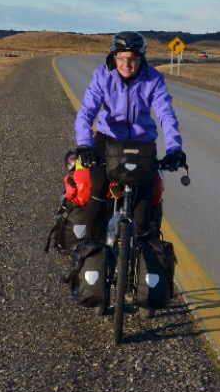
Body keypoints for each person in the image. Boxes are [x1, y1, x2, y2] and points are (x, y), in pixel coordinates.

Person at [73, 31, 186, 252]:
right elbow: (86, 113)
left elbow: (166, 115)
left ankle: (142, 256)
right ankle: (91, 247)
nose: (127, 64)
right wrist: (84, 144)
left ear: (141, 58)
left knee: (143, 213)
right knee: (99, 184)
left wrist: (174, 149)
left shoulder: (153, 78)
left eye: (133, 58)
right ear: (114, 57)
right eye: (122, 57)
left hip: (142, 144)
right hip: (108, 140)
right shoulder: (103, 76)